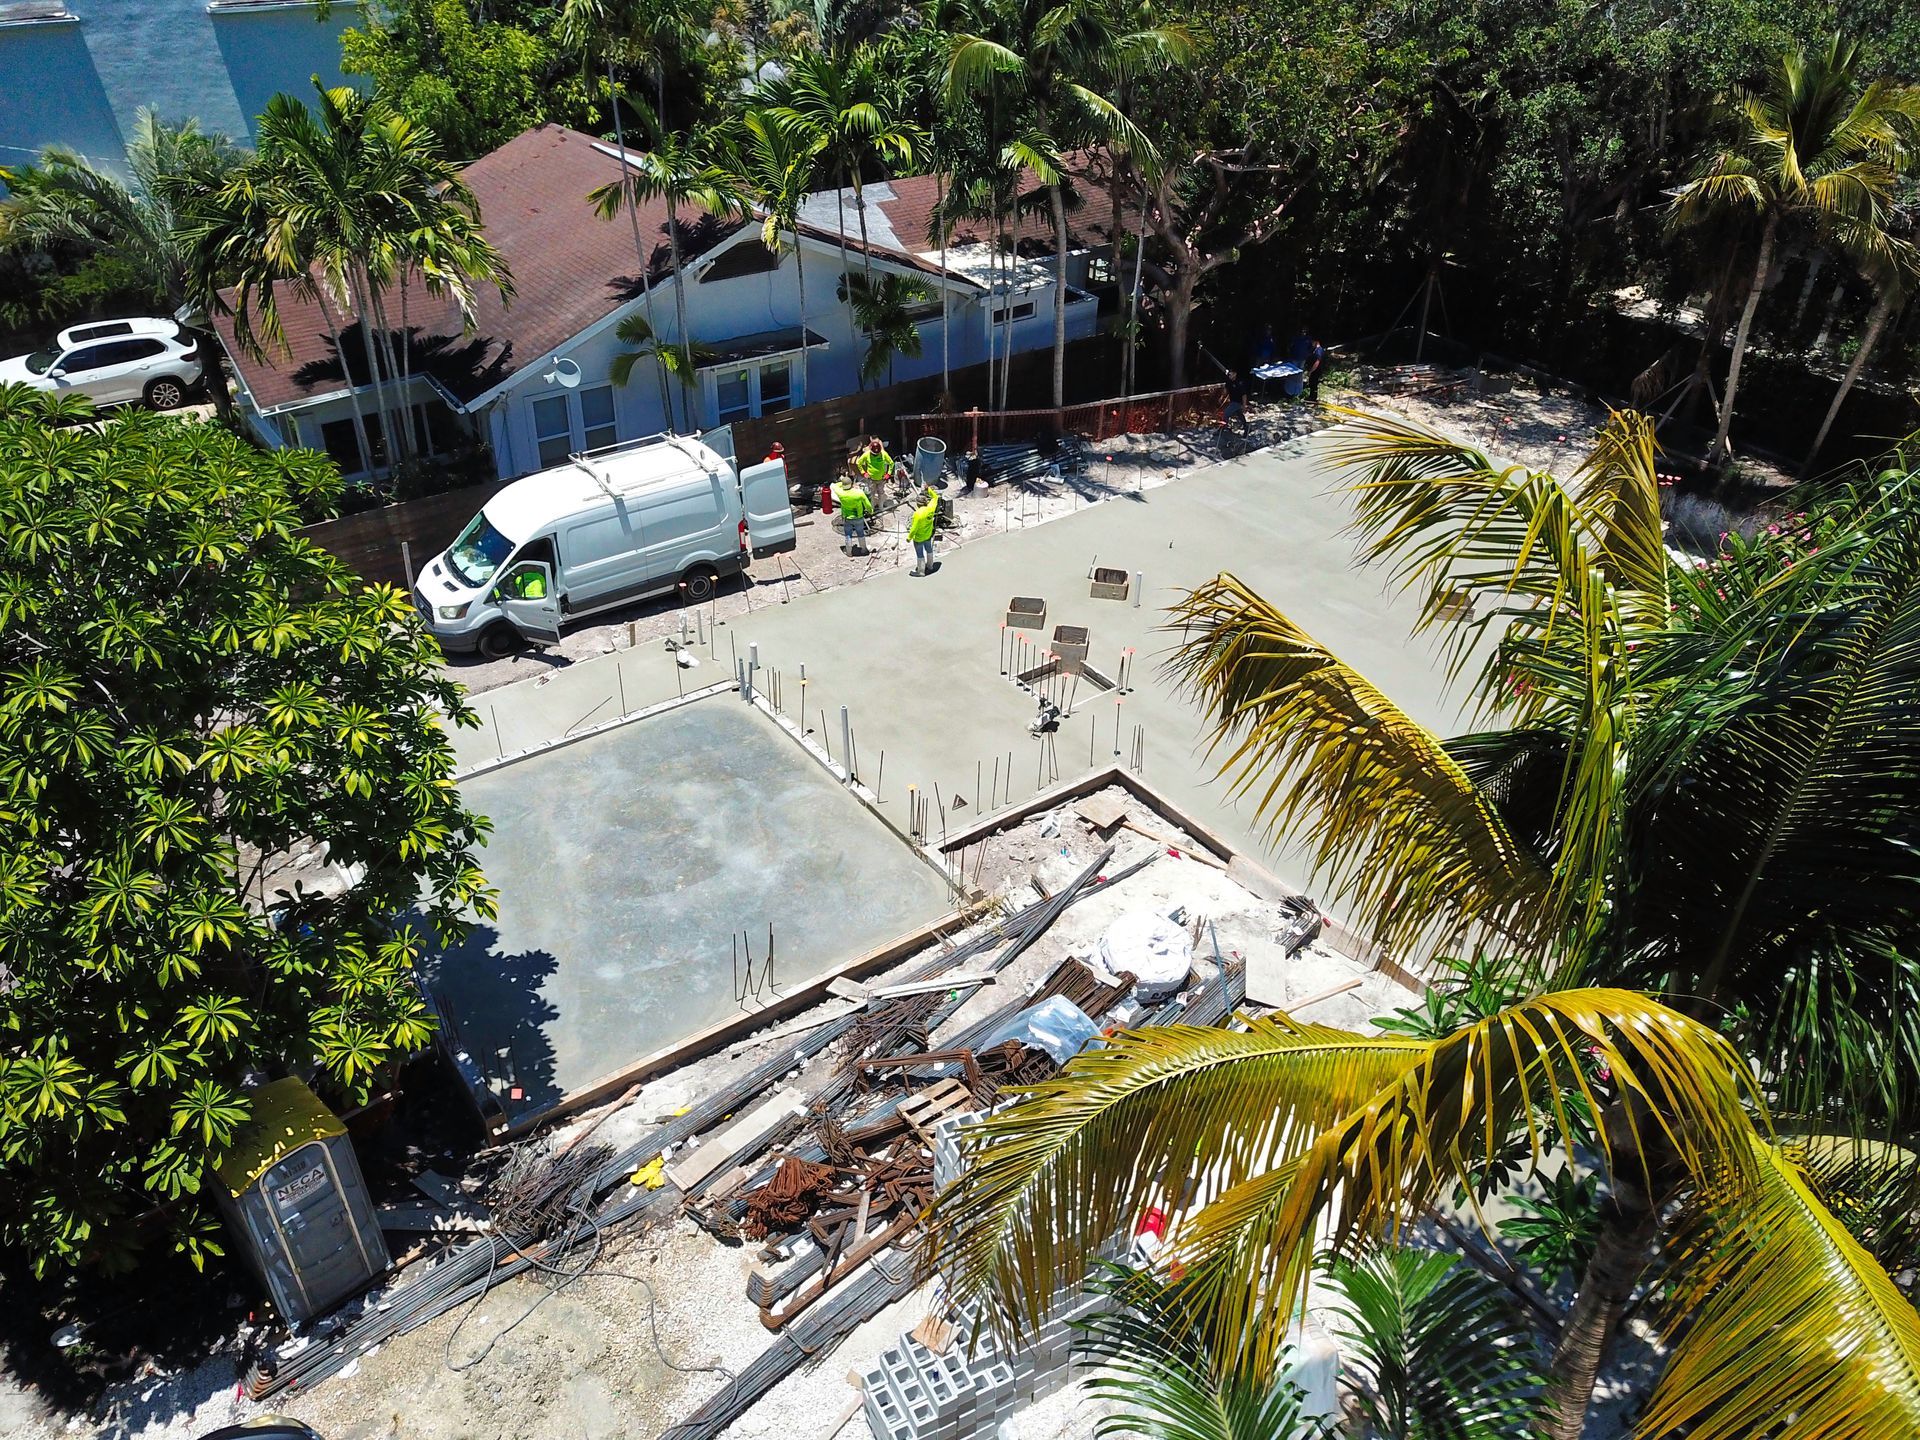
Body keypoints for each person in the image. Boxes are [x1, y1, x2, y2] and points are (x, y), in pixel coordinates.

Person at [908, 485, 941, 576]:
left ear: (918, 504)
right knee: (929, 549)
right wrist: (928, 489)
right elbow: (935, 497)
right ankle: (930, 566)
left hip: (919, 537)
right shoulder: (931, 508)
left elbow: (914, 528)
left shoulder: (917, 514)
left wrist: (909, 537)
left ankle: (921, 571)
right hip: (928, 534)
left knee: (920, 554)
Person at [836, 479, 874, 555]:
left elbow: (834, 485)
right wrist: (871, 511)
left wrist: (844, 482)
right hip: (858, 517)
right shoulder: (859, 492)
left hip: (847, 518)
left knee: (848, 535)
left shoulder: (840, 493)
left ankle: (849, 552)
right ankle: (864, 549)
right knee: (860, 533)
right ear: (851, 484)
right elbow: (868, 505)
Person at [1223, 368, 1250, 434]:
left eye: (1231, 374)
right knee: (1239, 414)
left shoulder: (1239, 383)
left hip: (1238, 402)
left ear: (1235, 374)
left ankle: (1226, 427)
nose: (1229, 375)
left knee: (1226, 414)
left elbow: (1244, 395)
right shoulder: (1228, 382)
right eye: (1229, 374)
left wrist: (1244, 405)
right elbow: (1225, 392)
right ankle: (1246, 427)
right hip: (1232, 401)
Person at [1306, 337, 1327, 403]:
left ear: (1316, 342)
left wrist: (1311, 371)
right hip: (1316, 370)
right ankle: (1312, 396)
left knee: (1313, 384)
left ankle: (1313, 398)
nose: (1312, 344)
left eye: (1312, 342)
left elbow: (1317, 362)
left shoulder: (1319, 350)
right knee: (1312, 383)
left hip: (1317, 370)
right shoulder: (1316, 350)